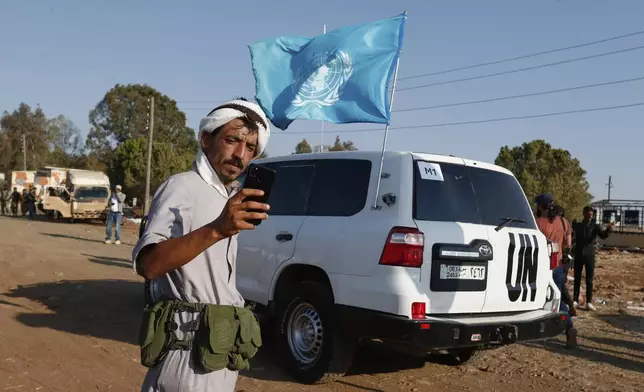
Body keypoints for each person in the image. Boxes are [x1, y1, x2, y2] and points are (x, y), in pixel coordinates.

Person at [132, 98, 271, 392]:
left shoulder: (227, 196)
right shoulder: (182, 186)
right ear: (207, 139)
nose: (240, 155)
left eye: (250, 148)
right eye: (232, 140)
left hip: (218, 349)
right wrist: (217, 229)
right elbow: (149, 264)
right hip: (187, 351)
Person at [534, 194, 577, 348]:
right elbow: (567, 244)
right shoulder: (564, 222)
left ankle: (566, 328)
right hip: (558, 266)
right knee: (556, 297)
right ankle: (568, 327)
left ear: (540, 206)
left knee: (547, 299)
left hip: (543, 267)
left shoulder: (538, 223)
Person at [572, 206, 613, 311]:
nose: (590, 216)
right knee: (577, 279)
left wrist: (609, 229)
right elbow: (572, 236)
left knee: (589, 280)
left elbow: (603, 236)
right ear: (584, 214)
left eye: (591, 214)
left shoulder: (595, 226)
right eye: (588, 214)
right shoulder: (578, 226)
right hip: (579, 254)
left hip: (590, 255)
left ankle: (589, 302)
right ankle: (575, 300)